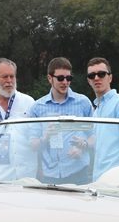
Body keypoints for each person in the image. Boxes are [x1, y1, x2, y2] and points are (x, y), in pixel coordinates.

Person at [27, 56, 93, 184]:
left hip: (79, 171)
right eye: (60, 78)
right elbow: (33, 145)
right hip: (50, 175)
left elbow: (95, 135)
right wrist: (45, 136)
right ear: (49, 78)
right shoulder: (37, 107)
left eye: (69, 78)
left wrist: (83, 146)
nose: (65, 82)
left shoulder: (83, 103)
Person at [86, 57, 119, 179]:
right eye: (92, 75)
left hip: (117, 177)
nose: (96, 78)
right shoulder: (97, 110)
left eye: (101, 74)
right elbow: (99, 142)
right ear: (88, 80)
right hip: (98, 177)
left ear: (110, 78)